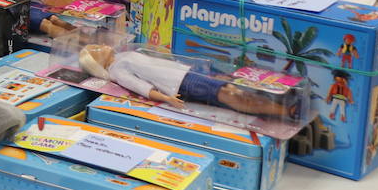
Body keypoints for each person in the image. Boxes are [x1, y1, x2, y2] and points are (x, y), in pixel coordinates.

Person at [77, 44, 298, 119]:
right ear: (98, 63)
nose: (100, 46)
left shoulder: (124, 56)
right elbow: (141, 87)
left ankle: (280, 106)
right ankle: (283, 111)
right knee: (230, 94)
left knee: (232, 89)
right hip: (182, 84)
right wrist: (166, 98)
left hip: (186, 72)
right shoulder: (117, 70)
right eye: (96, 52)